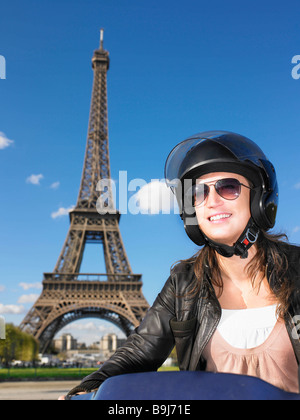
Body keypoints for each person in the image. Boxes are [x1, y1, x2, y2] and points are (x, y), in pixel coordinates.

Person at [62, 130, 300, 398]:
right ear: (190, 211)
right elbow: (139, 352)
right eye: (198, 193)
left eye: (228, 187)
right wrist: (89, 387)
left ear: (259, 198)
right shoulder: (184, 282)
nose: (212, 200)